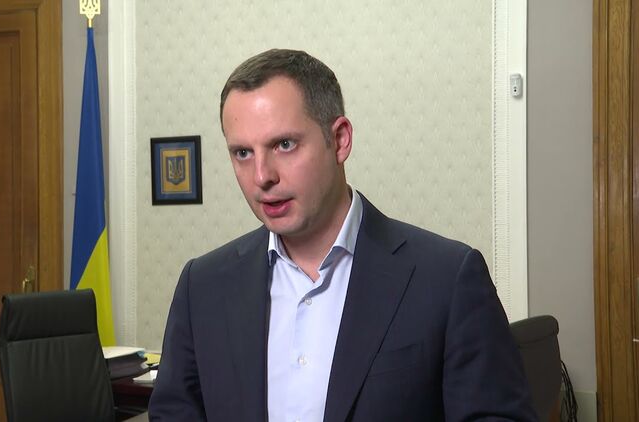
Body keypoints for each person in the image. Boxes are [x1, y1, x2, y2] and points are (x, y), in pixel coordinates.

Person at [148, 48, 536, 421]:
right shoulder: (202, 286)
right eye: (243, 153)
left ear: (340, 140)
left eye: (284, 144)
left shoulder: (447, 278)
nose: (262, 176)